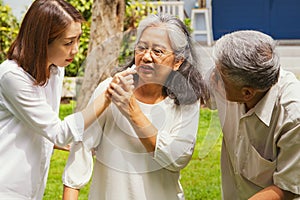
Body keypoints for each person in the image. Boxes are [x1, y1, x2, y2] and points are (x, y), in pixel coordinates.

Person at [62, 13, 208, 200]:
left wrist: (132, 110)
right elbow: (80, 151)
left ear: (177, 62)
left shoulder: (186, 101)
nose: (146, 57)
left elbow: (177, 159)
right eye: (142, 48)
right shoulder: (110, 88)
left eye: (158, 51)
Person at [0, 0, 134, 199]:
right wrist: (108, 95)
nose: (75, 50)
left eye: (78, 40)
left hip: (33, 186)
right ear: (42, 41)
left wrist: (53, 141)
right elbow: (59, 132)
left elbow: (43, 125)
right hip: (8, 184)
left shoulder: (55, 69)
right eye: (68, 42)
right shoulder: (12, 76)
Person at [207, 30, 300, 199]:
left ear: (247, 93)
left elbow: (287, 186)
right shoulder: (231, 82)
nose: (212, 78)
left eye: (219, 77)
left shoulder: (293, 116)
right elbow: (194, 93)